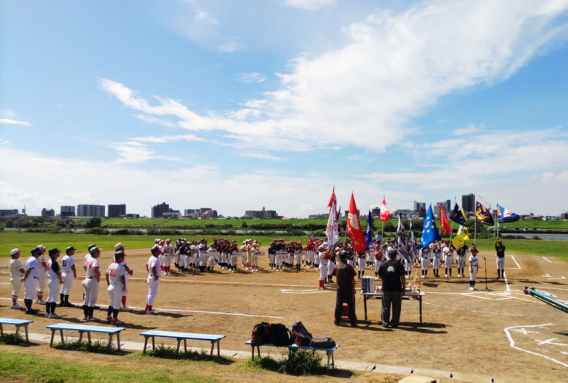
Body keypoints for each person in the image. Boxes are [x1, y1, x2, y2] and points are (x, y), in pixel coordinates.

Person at [378, 249, 406, 328]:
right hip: (396, 288)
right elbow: (403, 277)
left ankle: (385, 322)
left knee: (385, 306)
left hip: (386, 288)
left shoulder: (383, 264)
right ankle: (394, 322)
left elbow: (379, 276)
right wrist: (404, 288)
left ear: (388, 255)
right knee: (396, 307)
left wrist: (386, 278)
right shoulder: (399, 264)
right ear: (395, 255)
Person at [333, 251, 357, 327]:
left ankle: (337, 321)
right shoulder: (349, 267)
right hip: (348, 289)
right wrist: (353, 288)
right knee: (351, 306)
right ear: (346, 257)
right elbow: (352, 279)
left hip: (340, 289)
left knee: (338, 306)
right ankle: (352, 322)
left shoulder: (336, 266)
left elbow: (335, 276)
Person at [106, 251, 127, 324]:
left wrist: (108, 283)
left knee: (112, 301)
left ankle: (108, 316)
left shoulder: (111, 265)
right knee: (117, 303)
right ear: (120, 258)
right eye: (123, 257)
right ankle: (115, 319)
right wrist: (124, 285)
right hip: (117, 287)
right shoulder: (120, 266)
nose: (124, 258)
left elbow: (106, 274)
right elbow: (122, 277)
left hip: (111, 286)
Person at [82, 246, 101, 321]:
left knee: (86, 299)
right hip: (93, 280)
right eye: (98, 251)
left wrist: (88, 273)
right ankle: (90, 316)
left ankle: (85, 315)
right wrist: (98, 276)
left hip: (86, 279)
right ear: (95, 253)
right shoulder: (95, 260)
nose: (99, 253)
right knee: (92, 299)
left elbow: (84, 266)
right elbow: (95, 268)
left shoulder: (88, 259)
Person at [22, 247, 41, 314]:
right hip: (31, 278)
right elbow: (29, 269)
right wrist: (24, 277)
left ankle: (28, 308)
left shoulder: (30, 259)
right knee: (30, 294)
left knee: (27, 294)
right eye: (38, 252)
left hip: (30, 278)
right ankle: (29, 309)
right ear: (35, 253)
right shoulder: (33, 260)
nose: (40, 253)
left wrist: (25, 277)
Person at [115, 243, 133, 311]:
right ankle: (124, 306)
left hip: (120, 274)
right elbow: (124, 266)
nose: (123, 248)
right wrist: (130, 271)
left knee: (120, 290)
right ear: (119, 249)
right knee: (123, 290)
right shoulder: (119, 257)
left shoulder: (116, 256)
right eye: (122, 247)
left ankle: (119, 305)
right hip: (122, 275)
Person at [45, 248, 63, 318]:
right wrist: (61, 280)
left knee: (49, 297)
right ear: (53, 254)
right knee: (54, 297)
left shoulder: (49, 261)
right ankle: (52, 314)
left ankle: (47, 312)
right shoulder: (54, 262)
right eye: (57, 252)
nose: (59, 253)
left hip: (51, 280)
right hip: (55, 280)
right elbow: (58, 273)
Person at [146, 245, 162, 314]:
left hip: (151, 277)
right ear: (155, 252)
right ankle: (149, 310)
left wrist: (150, 273)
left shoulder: (152, 258)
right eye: (158, 250)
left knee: (150, 293)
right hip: (153, 278)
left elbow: (146, 265)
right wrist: (155, 275)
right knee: (152, 294)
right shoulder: (155, 259)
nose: (160, 251)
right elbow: (153, 267)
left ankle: (148, 307)